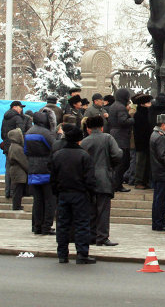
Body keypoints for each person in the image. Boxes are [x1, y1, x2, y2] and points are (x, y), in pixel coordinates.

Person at [50, 126, 97, 264]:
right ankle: (82, 254)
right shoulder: (84, 155)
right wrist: (91, 193)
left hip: (63, 194)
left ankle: (62, 254)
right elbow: (89, 179)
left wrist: (56, 192)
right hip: (80, 195)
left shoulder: (57, 155)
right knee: (82, 224)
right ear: (79, 140)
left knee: (62, 225)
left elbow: (52, 177)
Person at [80, 116, 123, 247]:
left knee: (91, 209)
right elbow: (117, 154)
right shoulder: (108, 138)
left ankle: (91, 236)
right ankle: (102, 237)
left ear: (88, 129)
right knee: (103, 209)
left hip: (88, 179)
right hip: (104, 178)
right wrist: (110, 166)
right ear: (102, 127)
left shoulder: (84, 142)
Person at [25, 111, 57, 235]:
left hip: (33, 170)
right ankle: (46, 226)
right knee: (49, 200)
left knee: (37, 201)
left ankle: (37, 226)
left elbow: (26, 151)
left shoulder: (28, 133)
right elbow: (55, 147)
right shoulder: (45, 133)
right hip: (46, 170)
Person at [149, 114, 165, 231]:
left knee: (158, 199)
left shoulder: (155, 135)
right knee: (161, 200)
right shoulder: (160, 138)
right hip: (163, 173)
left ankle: (157, 222)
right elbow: (164, 156)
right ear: (163, 125)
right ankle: (159, 223)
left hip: (158, 172)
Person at [109, 88, 133, 193]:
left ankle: (116, 184)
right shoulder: (121, 107)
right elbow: (123, 121)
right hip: (121, 137)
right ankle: (117, 184)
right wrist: (133, 118)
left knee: (119, 162)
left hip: (115, 134)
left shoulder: (114, 105)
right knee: (123, 162)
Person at [3, 100, 28, 198]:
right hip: (16, 147)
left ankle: (7, 191)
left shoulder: (5, 118)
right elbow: (20, 133)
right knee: (18, 169)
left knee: (8, 169)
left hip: (7, 146)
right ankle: (14, 192)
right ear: (15, 107)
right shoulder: (17, 118)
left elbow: (2, 133)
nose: (21, 109)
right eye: (20, 107)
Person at [132, 93, 154, 189]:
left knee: (146, 163)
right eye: (148, 103)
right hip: (142, 142)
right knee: (141, 162)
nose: (150, 104)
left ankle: (144, 181)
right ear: (142, 104)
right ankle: (139, 181)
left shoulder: (146, 113)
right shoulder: (139, 115)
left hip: (146, 141)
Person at [6, 128, 28, 210]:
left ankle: (16, 205)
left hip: (16, 171)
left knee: (17, 189)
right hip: (19, 171)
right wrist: (29, 169)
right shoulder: (17, 148)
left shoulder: (13, 146)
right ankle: (16, 205)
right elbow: (23, 161)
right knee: (18, 190)